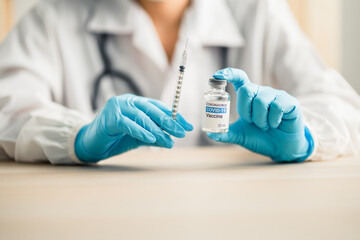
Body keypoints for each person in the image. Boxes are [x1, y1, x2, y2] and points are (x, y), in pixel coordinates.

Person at [0, 0, 359, 164]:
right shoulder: (51, 20)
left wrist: (305, 138)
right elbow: (7, 110)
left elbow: (345, 106)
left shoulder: (259, 12)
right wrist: (74, 137)